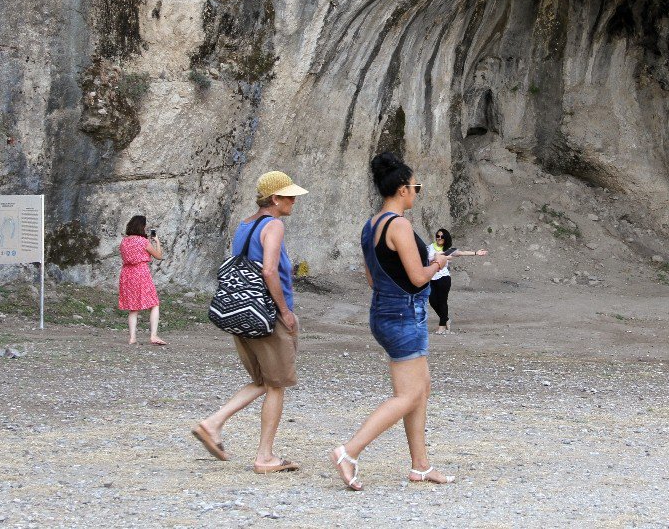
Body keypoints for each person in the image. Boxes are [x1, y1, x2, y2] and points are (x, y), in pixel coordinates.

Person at [329, 152, 454, 491]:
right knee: (409, 395)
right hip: (403, 314)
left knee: (420, 389)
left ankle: (421, 466)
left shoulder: (371, 226)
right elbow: (416, 277)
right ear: (402, 189)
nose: (417, 191)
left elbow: (372, 278)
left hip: (384, 310)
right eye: (416, 186)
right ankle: (349, 451)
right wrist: (437, 264)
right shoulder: (399, 225)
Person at [191, 171, 307, 474]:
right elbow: (269, 271)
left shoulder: (244, 226)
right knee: (277, 385)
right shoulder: (274, 225)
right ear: (275, 199)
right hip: (268, 315)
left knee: (262, 381)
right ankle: (264, 457)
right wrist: (285, 312)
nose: (294, 201)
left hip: (242, 311)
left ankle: (212, 423)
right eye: (289, 196)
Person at [427, 228, 487, 334]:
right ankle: (446, 319)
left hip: (443, 277)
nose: (439, 238)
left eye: (442, 237)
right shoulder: (430, 247)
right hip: (431, 277)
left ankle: (442, 326)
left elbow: (461, 253)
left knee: (442, 301)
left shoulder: (448, 250)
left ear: (446, 238)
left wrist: (476, 253)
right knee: (432, 300)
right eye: (438, 236)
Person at [118, 215, 165, 346]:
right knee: (154, 304)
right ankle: (153, 335)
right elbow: (159, 256)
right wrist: (157, 242)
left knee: (133, 308)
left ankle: (132, 338)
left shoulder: (124, 241)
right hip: (141, 272)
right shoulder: (143, 242)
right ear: (142, 227)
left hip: (127, 274)